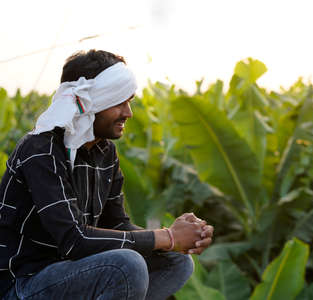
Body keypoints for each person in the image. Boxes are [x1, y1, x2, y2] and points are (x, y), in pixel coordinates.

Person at [0, 49, 213, 299]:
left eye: (129, 101)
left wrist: (178, 240)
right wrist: (166, 236)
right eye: (119, 102)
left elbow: (117, 223)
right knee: (126, 266)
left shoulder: (105, 151)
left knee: (177, 262)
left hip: (72, 271)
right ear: (92, 104)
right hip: (23, 283)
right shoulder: (41, 149)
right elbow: (74, 239)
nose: (128, 113)